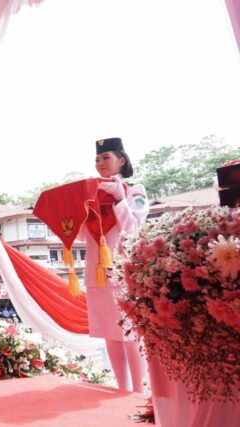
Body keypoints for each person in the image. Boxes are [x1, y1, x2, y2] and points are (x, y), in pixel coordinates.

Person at [82, 137, 149, 393]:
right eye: (97, 159)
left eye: (106, 157)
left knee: (130, 334)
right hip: (97, 271)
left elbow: (134, 228)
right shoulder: (91, 193)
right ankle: (121, 389)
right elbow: (80, 236)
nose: (100, 163)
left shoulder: (135, 190)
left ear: (121, 160)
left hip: (124, 271)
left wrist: (120, 199)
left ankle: (138, 393)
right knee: (109, 332)